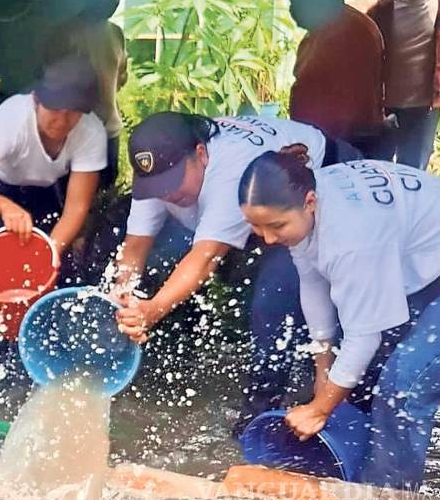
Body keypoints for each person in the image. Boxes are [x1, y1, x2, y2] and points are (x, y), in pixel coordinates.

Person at [113, 112, 360, 428]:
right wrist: (124, 297)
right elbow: (135, 248)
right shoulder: (155, 174)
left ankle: (263, 411)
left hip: (321, 180)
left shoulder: (231, 170)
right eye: (158, 187)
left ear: (201, 154)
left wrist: (153, 309)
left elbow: (205, 257)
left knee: (274, 300)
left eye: (173, 182)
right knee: (162, 257)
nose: (167, 194)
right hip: (256, 200)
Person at [238, 152, 440, 490]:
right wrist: (323, 372)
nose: (267, 239)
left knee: (404, 386)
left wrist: (320, 409)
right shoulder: (307, 200)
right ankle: (361, 467)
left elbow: (364, 337)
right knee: (363, 373)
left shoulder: (351, 236)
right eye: (256, 228)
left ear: (309, 202)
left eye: (276, 227)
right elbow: (313, 284)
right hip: (430, 256)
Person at [0, 55, 106, 255]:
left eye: (73, 112)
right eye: (54, 109)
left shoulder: (91, 131)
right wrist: (3, 206)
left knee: (48, 262)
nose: (62, 121)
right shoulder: (13, 117)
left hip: (48, 191)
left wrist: (50, 254)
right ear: (36, 100)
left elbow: (76, 209)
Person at [271, 0, 385, 157]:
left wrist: (322, 150)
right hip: (329, 143)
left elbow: (345, 108)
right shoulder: (326, 28)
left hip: (340, 147)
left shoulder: (347, 34)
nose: (292, 9)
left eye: (296, 1)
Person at [367, 0, 440, 169]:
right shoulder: (383, 8)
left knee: (414, 170)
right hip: (384, 104)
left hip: (424, 107)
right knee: (378, 166)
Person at [44, 0, 132, 187]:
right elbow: (51, 84)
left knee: (105, 199)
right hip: (74, 132)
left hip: (110, 131)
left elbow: (120, 79)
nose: (115, 1)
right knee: (73, 199)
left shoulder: (116, 34)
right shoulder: (67, 34)